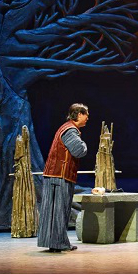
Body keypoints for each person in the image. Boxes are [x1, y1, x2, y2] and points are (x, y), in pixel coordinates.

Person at [38, 103, 89, 252]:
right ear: (79, 114)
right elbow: (79, 150)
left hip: (55, 175)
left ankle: (56, 243)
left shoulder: (66, 128)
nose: (88, 118)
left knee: (54, 210)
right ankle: (58, 243)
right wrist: (85, 145)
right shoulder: (70, 130)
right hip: (59, 175)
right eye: (86, 114)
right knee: (59, 210)